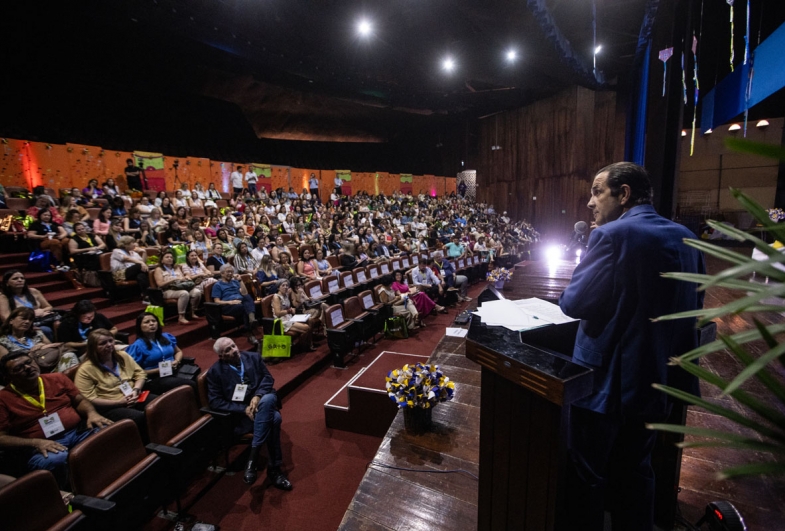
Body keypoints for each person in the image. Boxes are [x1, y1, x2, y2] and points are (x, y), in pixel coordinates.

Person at [558, 162, 705, 531]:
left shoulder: (611, 236)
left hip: (606, 386)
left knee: (586, 475)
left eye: (597, 191)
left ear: (624, 195)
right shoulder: (687, 238)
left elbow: (574, 303)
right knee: (636, 472)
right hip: (657, 381)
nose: (590, 203)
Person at [0, 351, 113, 488]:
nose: (28, 368)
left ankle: (110, 476)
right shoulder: (3, 399)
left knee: (109, 431)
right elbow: (2, 437)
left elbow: (79, 401)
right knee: (56, 459)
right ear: (8, 378)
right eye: (19, 368)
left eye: (28, 362)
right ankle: (72, 495)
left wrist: (92, 413)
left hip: (77, 431)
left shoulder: (57, 378)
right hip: (40, 445)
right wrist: (35, 442)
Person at [206, 338, 292, 488]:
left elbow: (267, 378)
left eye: (233, 346)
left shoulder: (253, 357)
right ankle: (274, 470)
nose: (233, 350)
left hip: (263, 399)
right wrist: (244, 409)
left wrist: (257, 396)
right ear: (221, 356)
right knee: (275, 419)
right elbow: (215, 401)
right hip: (242, 415)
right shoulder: (215, 372)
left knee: (268, 398)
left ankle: (253, 457)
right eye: (228, 350)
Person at [74, 329, 155, 439]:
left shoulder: (122, 356)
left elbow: (140, 374)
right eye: (103, 343)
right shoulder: (85, 369)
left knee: (157, 404)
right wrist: (118, 402)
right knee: (139, 417)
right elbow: (89, 398)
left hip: (133, 395)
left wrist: (136, 390)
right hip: (109, 405)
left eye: (110, 341)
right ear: (93, 347)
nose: (109, 345)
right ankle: (149, 444)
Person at [126, 312, 197, 395]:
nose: (151, 324)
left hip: (174, 369)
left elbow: (178, 352)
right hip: (155, 378)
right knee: (190, 384)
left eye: (154, 321)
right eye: (147, 322)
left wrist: (176, 361)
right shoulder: (137, 346)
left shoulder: (166, 337)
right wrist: (159, 370)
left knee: (199, 378)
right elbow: (135, 372)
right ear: (140, 326)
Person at [0, 307, 78, 373]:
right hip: (28, 371)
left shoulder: (36, 333)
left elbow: (53, 348)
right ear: (11, 320)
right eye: (23, 319)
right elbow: (8, 366)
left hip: (49, 364)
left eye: (30, 320)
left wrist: (42, 345)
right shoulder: (3, 342)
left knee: (69, 355)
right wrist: (32, 351)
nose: (27, 322)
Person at [0, 270, 57, 341]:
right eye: (15, 279)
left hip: (40, 319)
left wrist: (41, 311)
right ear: (7, 283)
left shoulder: (33, 291)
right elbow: (6, 317)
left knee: (59, 324)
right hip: (22, 324)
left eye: (22, 278)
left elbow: (49, 307)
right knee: (45, 330)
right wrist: (27, 324)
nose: (20, 280)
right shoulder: (3, 297)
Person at [212, 264, 260, 347]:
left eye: (231, 272)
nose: (230, 273)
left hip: (240, 302)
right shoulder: (218, 285)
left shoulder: (235, 282)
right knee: (245, 306)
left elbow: (244, 293)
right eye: (228, 272)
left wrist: (240, 281)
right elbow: (217, 301)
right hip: (228, 306)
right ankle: (250, 325)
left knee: (247, 297)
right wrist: (230, 302)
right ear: (222, 273)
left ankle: (250, 326)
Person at [154, 249, 200, 324]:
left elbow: (181, 278)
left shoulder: (176, 268)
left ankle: (192, 312)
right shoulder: (159, 269)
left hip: (180, 287)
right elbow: (160, 284)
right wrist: (173, 280)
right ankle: (181, 317)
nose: (170, 258)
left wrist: (185, 279)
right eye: (167, 257)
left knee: (197, 292)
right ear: (162, 260)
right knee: (184, 293)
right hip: (167, 290)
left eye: (171, 257)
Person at [271, 280, 316, 350]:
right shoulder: (276, 297)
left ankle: (308, 344)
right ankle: (302, 345)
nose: (285, 287)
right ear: (278, 287)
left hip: (290, 317)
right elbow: (278, 313)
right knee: (306, 328)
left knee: (311, 320)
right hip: (282, 321)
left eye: (286, 285)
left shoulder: (285, 295)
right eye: (283, 285)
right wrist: (289, 311)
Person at [110, 236, 150, 303]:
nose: (134, 244)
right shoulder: (116, 251)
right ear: (126, 244)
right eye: (132, 243)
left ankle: (146, 296)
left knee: (141, 276)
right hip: (121, 274)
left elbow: (143, 263)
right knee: (139, 266)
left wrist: (144, 252)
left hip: (133, 272)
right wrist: (141, 263)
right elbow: (126, 258)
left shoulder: (133, 252)